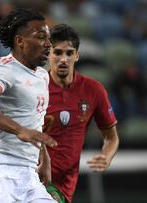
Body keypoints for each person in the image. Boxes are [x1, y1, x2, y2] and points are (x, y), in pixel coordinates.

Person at [0, 8, 57, 203]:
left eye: (49, 38)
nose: (49, 44)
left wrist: (44, 156)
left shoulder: (42, 75)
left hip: (29, 174)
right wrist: (18, 130)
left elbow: (34, 120)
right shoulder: (1, 67)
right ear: (20, 41)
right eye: (41, 37)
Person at [44, 23, 120, 203]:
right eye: (57, 52)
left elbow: (111, 137)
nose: (64, 59)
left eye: (69, 53)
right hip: (32, 176)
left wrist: (106, 156)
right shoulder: (35, 87)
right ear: (48, 54)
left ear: (77, 56)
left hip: (64, 184)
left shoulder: (93, 90)